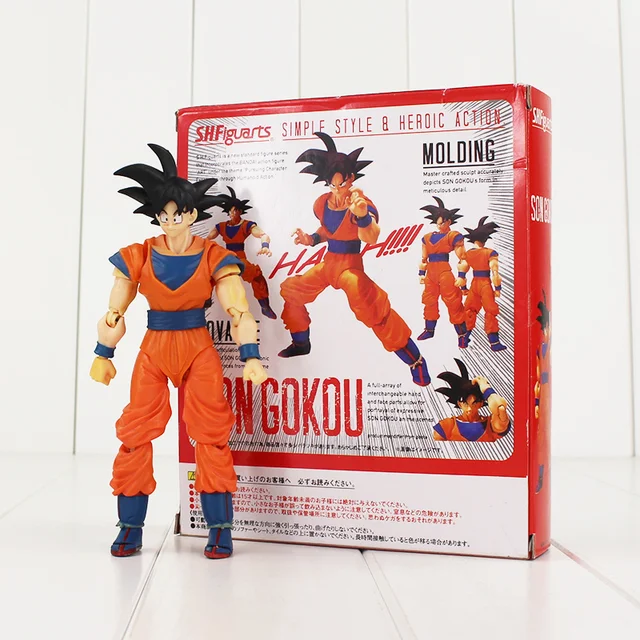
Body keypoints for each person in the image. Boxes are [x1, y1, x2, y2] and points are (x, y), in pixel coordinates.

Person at [89, 144, 267, 559]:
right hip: (154, 347)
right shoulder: (138, 255)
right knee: (135, 434)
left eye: (178, 214)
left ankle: (219, 528)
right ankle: (130, 526)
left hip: (197, 347)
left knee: (211, 434)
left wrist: (251, 355)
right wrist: (102, 353)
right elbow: (114, 312)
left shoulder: (213, 255)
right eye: (163, 215)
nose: (170, 221)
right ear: (157, 216)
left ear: (192, 214)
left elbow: (238, 309)